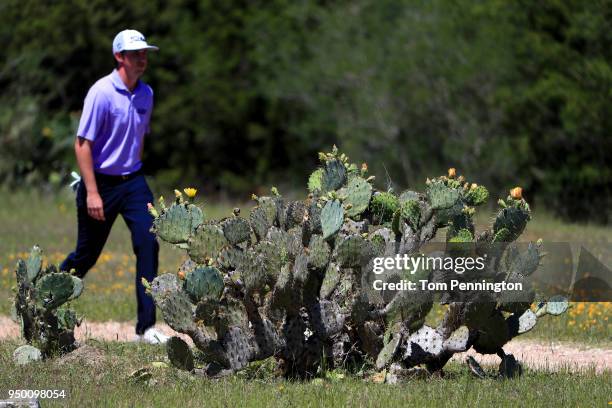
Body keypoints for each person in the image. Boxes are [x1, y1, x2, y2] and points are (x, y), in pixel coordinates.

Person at [61, 29, 169, 344]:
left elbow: (138, 139)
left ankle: (146, 328)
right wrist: (93, 192)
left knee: (148, 243)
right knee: (86, 256)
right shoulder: (101, 93)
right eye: (135, 53)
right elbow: (82, 145)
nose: (142, 58)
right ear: (119, 57)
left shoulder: (147, 94)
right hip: (100, 183)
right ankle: (42, 298)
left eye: (145, 53)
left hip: (133, 181)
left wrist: (130, 174)